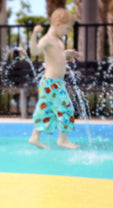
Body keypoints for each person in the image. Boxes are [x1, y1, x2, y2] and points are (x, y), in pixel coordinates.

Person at [28, 8, 81, 149]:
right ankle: (62, 139)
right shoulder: (46, 39)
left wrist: (66, 54)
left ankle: (35, 137)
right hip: (52, 83)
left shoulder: (57, 41)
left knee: (45, 110)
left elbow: (56, 56)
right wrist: (34, 34)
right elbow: (34, 51)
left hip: (52, 83)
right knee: (67, 108)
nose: (67, 32)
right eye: (67, 28)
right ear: (58, 23)